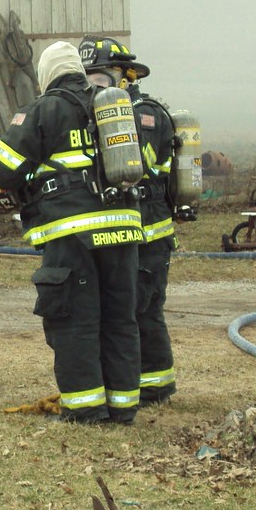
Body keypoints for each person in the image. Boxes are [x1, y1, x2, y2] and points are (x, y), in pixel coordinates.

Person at [0, 41, 142, 424]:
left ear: (46, 74)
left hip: (73, 233)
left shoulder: (43, 109)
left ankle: (86, 408)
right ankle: (123, 407)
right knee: (120, 317)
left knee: (74, 318)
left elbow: (2, 171)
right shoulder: (113, 106)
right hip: (123, 229)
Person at [80, 38, 178, 407]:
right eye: (87, 78)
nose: (93, 87)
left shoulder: (145, 115)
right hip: (123, 228)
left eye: (100, 78)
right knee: (122, 307)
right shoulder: (100, 111)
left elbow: (138, 166)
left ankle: (154, 383)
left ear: (125, 76)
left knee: (142, 307)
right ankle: (130, 379)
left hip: (150, 231)